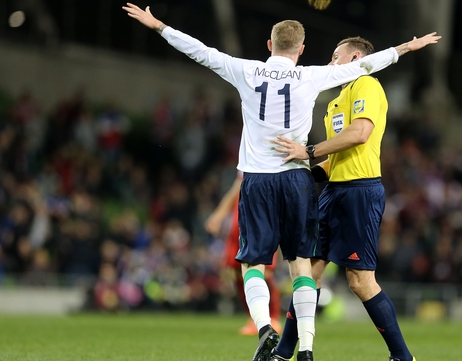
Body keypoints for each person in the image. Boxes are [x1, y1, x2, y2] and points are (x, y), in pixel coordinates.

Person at [123, 4, 440, 361]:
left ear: (269, 44)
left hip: (276, 181)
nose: (334, 61)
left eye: (338, 56)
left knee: (266, 266)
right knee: (305, 266)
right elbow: (367, 64)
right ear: (301, 50)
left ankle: (269, 331)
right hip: (301, 181)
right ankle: (300, 349)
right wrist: (403, 50)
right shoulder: (315, 80)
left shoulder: (249, 70)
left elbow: (200, 51)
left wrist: (159, 25)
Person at [273, 37, 418, 361]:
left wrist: (307, 151)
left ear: (355, 57)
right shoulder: (335, 102)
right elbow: (333, 160)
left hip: (360, 192)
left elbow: (360, 134)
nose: (330, 62)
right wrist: (300, 178)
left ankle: (402, 357)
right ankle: (282, 354)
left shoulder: (366, 85)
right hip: (334, 191)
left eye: (335, 56)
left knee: (360, 281)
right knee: (307, 275)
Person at [205, 173, 282, 336]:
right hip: (240, 223)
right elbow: (236, 188)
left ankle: (273, 318)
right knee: (237, 273)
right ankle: (253, 318)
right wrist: (219, 216)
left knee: (265, 272)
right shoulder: (248, 157)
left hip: (263, 219)